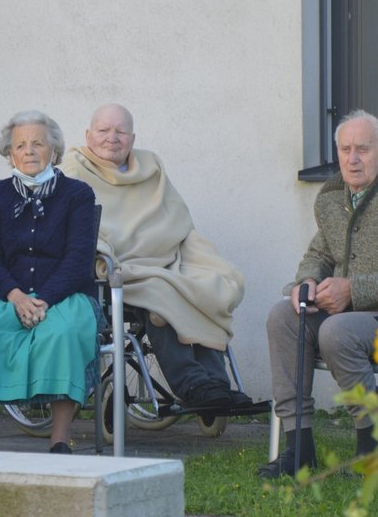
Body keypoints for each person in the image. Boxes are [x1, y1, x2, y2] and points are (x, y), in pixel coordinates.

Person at [258, 110, 378, 479]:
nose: (353, 158)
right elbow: (320, 253)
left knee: (336, 330)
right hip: (346, 316)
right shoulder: (331, 195)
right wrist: (307, 282)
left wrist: (354, 290)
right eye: (345, 149)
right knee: (282, 316)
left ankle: (372, 443)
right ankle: (299, 449)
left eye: (363, 148)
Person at [59, 103, 251, 408]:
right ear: (88, 135)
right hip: (117, 269)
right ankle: (192, 384)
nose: (112, 138)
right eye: (104, 130)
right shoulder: (73, 168)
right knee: (161, 293)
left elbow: (175, 218)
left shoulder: (151, 167)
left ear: (132, 138)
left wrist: (174, 253)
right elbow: (79, 228)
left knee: (205, 283)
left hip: (166, 258)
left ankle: (216, 383)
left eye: (121, 131)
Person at [0, 110, 100, 454]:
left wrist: (44, 299)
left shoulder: (77, 194)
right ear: (10, 154)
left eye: (38, 143)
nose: (29, 151)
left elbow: (78, 261)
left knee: (61, 333)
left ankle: (60, 441)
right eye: (20, 145)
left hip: (64, 294)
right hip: (9, 293)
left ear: (54, 150)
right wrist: (17, 296)